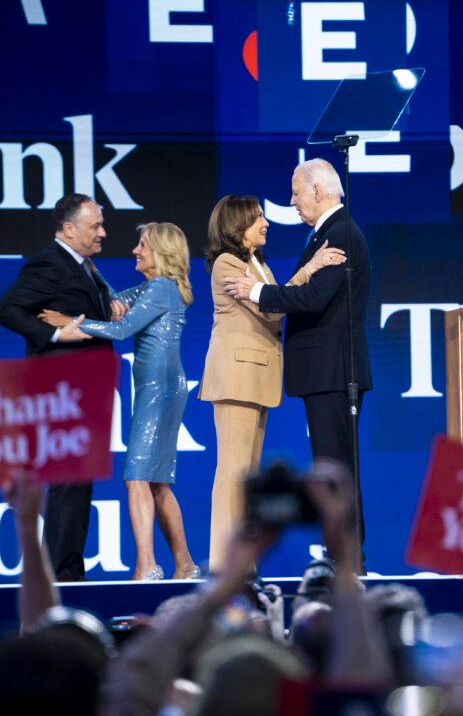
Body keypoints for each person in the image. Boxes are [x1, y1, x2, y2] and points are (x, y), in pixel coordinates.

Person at [223, 159, 372, 569]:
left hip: (335, 372)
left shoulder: (339, 232)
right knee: (332, 467)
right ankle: (343, 556)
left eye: (295, 193)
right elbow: (308, 288)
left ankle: (348, 562)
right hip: (324, 372)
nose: (292, 202)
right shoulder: (325, 234)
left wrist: (258, 292)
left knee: (336, 469)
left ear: (318, 192)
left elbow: (312, 299)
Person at [44, 222, 198, 581]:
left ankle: (146, 565)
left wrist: (70, 324)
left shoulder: (161, 287)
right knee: (157, 482)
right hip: (160, 388)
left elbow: (119, 329)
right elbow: (114, 305)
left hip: (159, 390)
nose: (135, 251)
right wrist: (93, 273)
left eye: (141, 245)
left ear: (159, 251)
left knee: (136, 477)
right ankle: (185, 564)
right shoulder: (154, 288)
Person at [199, 194, 345, 571]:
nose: (266, 223)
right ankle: (224, 562)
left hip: (257, 376)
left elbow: (277, 300)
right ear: (237, 225)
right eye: (258, 218)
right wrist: (312, 268)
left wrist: (310, 267)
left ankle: (241, 562)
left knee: (246, 475)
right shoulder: (227, 263)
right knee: (232, 471)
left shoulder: (256, 264)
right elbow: (274, 307)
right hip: (236, 376)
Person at [0, 193, 126, 582]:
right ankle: (59, 580)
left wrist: (108, 308)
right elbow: (6, 310)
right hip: (61, 389)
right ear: (69, 229)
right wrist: (55, 334)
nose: (103, 232)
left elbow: (91, 315)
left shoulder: (84, 266)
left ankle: (69, 571)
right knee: (68, 482)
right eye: (95, 226)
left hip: (85, 385)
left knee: (78, 483)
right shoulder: (49, 264)